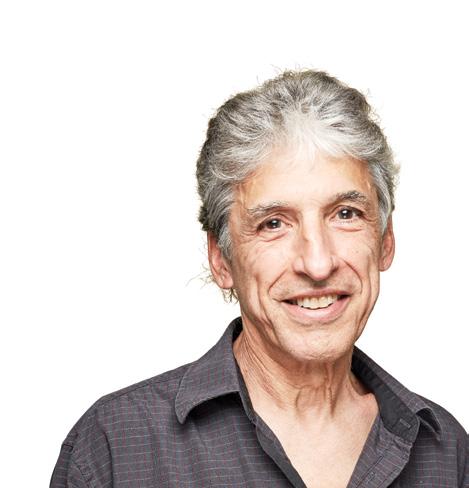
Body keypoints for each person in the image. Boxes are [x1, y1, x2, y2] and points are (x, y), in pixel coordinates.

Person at [50, 70, 468, 488]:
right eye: (273, 223)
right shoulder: (116, 447)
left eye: (345, 214)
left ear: (385, 241)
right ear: (221, 259)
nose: (317, 263)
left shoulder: (446, 451)